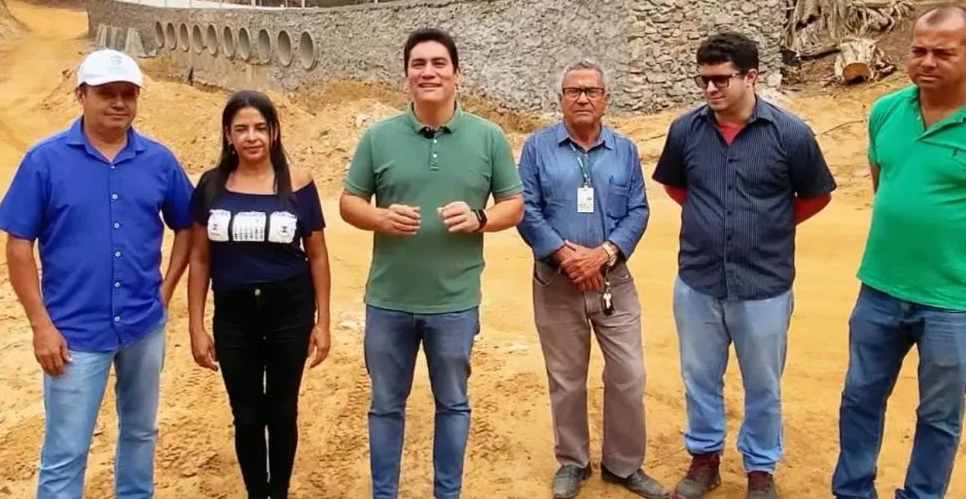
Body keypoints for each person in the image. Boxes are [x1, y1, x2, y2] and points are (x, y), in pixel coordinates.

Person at [0, 48, 195, 499]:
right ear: (81, 95)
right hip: (72, 334)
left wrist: (166, 289)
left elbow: (188, 225)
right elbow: (19, 246)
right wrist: (41, 326)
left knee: (141, 433)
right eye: (106, 93)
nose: (118, 103)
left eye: (128, 94)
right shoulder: (44, 161)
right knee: (66, 450)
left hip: (143, 326)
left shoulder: (159, 161)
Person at [339, 27, 524, 499]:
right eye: (418, 65)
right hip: (389, 300)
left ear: (457, 74)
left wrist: (480, 217)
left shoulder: (488, 138)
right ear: (406, 76)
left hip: (455, 302)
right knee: (385, 406)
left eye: (439, 63)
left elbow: (514, 205)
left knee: (453, 404)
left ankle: (448, 493)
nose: (429, 72)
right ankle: (384, 493)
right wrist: (380, 217)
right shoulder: (378, 138)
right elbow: (348, 202)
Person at [651, 32, 836, 499]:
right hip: (698, 280)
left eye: (721, 79)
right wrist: (713, 219)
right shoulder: (685, 131)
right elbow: (675, 185)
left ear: (751, 76)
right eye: (703, 80)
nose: (710, 89)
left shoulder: (790, 134)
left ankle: (760, 469)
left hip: (764, 284)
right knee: (699, 377)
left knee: (763, 384)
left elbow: (817, 195)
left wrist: (768, 224)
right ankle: (704, 460)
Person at [517, 59, 669, 499]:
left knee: (629, 373)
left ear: (606, 99)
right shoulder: (536, 148)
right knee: (566, 377)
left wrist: (603, 253)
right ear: (560, 99)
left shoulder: (624, 150)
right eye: (573, 91)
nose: (583, 98)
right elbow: (525, 208)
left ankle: (623, 465)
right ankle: (573, 461)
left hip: (612, 280)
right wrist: (566, 256)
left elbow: (638, 210)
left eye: (592, 91)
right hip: (556, 281)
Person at [831, 6, 966, 499]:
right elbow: (882, 183)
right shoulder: (885, 111)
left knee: (939, 415)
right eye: (918, 50)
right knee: (860, 398)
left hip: (953, 301)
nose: (926, 62)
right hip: (880, 289)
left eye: (943, 53)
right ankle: (852, 491)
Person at [186, 89, 331, 499]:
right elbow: (200, 258)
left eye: (260, 128)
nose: (251, 137)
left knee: (282, 412)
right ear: (228, 135)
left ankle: (278, 493)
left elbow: (318, 255)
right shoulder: (211, 185)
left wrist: (323, 322)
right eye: (241, 129)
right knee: (246, 415)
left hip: (289, 313)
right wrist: (196, 326)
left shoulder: (298, 182)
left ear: (274, 132)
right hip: (234, 318)